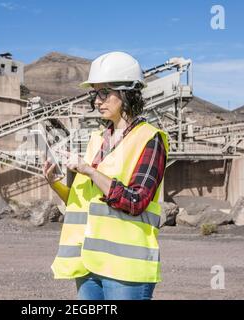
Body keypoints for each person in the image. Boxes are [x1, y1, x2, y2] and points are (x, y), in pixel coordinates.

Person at [43, 51, 168, 300]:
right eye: (95, 94)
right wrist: (54, 183)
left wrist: (89, 170)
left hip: (126, 270)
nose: (98, 101)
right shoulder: (96, 140)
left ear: (127, 93)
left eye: (104, 93)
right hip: (88, 264)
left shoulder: (149, 139)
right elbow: (83, 204)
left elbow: (136, 201)